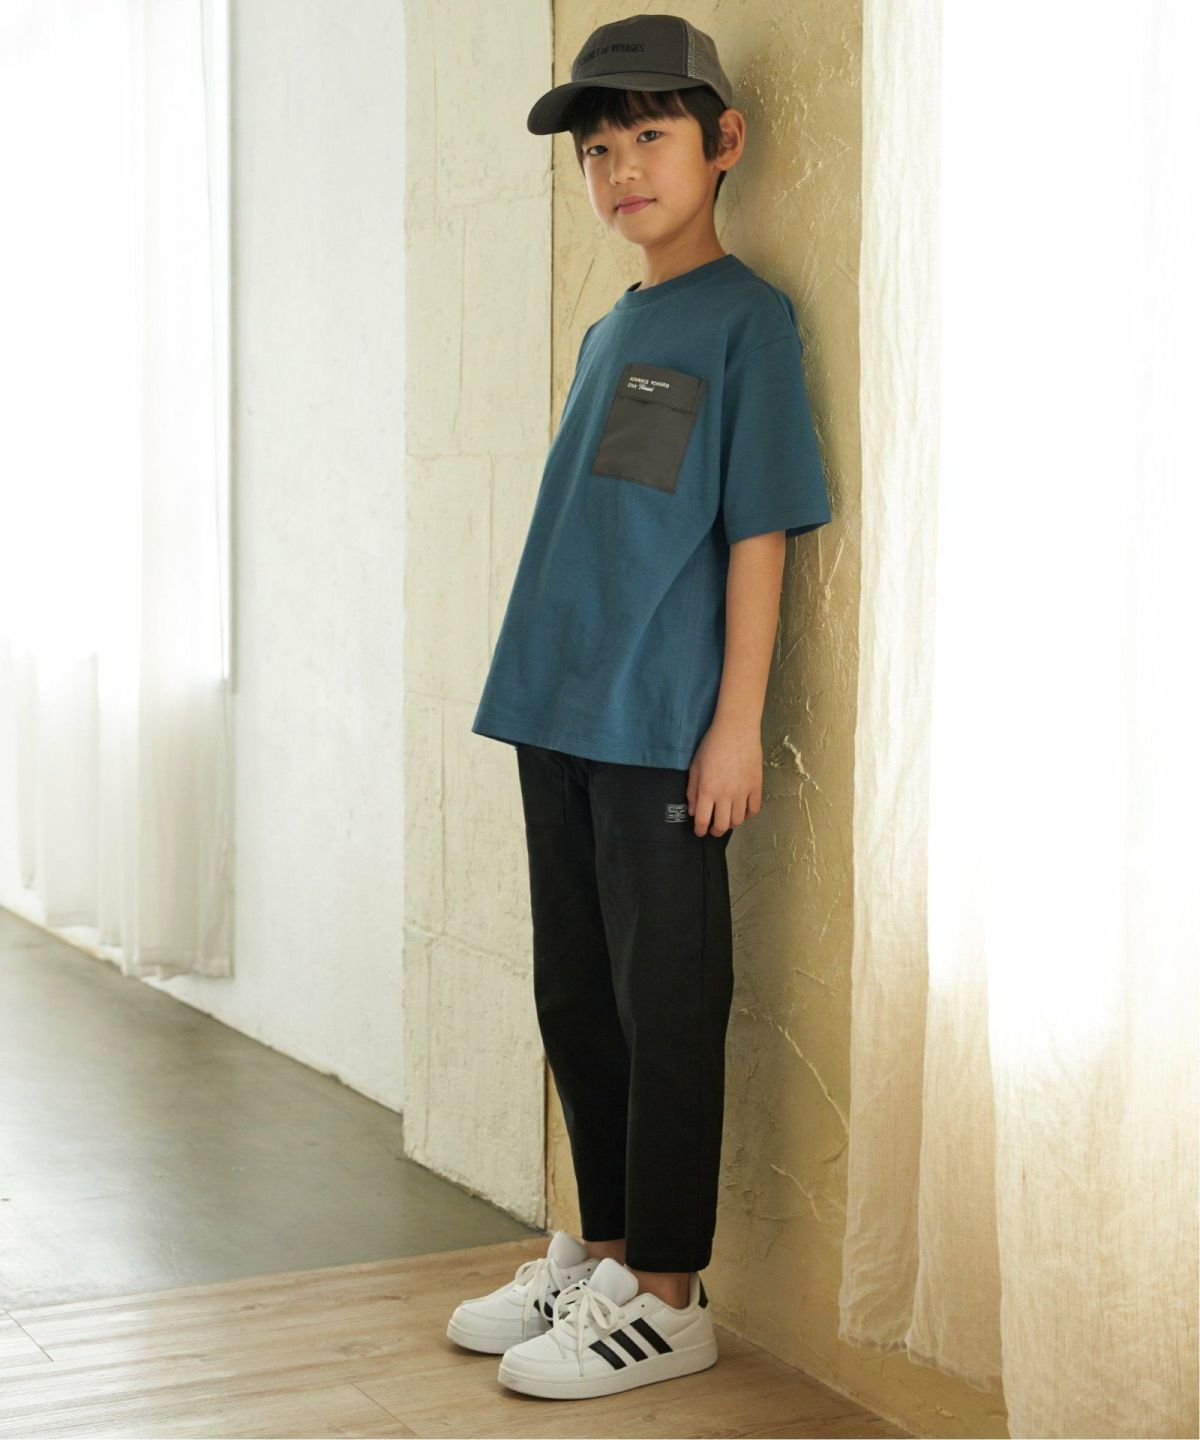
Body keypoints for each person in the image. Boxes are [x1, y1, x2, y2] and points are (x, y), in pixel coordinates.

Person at [445, 13, 833, 1401]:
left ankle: (668, 1294)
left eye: (647, 137)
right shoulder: (616, 325)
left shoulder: (746, 320)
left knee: (666, 1000)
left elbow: (758, 532)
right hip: (554, 710)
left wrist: (735, 724)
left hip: (658, 726)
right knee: (577, 992)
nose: (619, 170)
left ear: (724, 142)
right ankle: (605, 1253)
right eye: (597, 151)